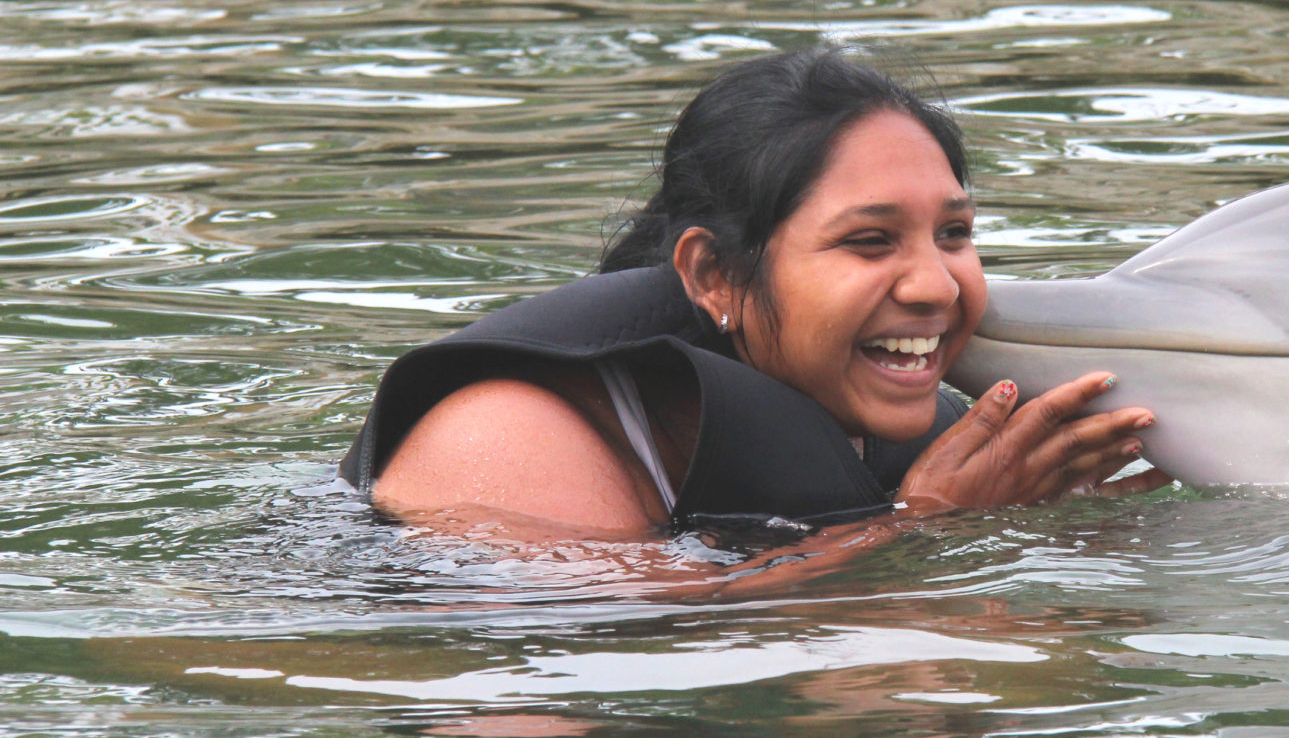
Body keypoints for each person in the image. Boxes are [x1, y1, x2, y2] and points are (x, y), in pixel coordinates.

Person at [340, 48, 1167, 552]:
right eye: (869, 241)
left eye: (953, 233)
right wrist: (924, 525)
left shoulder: (892, 426)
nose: (937, 285)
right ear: (713, 276)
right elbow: (558, 664)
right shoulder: (518, 429)